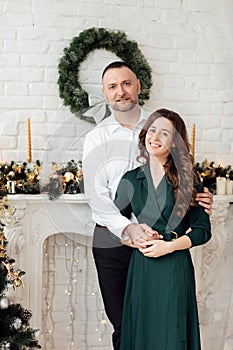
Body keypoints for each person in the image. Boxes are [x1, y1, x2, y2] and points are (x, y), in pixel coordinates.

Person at [82, 61, 213, 350]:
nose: (121, 92)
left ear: (138, 85)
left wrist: (199, 195)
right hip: (114, 239)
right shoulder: (96, 138)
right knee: (126, 323)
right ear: (105, 93)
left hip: (162, 240)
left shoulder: (160, 126)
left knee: (165, 322)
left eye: (126, 83)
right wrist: (128, 228)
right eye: (112, 86)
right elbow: (97, 196)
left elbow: (180, 175)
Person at [114, 108, 212, 350]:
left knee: (172, 334)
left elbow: (202, 230)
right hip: (142, 267)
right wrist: (133, 239)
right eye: (152, 129)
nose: (155, 137)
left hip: (174, 266)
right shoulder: (130, 179)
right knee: (142, 334)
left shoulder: (190, 180)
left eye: (164, 133)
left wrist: (168, 246)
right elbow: (114, 225)